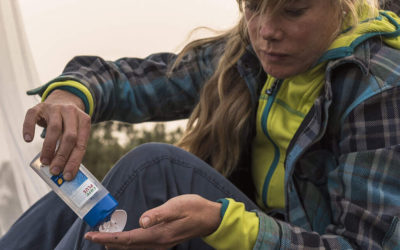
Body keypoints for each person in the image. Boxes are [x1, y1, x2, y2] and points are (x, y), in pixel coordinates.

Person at [1, 0, 400, 249]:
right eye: (254, 5)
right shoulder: (245, 56)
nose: (266, 31)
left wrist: (224, 224)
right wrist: (72, 95)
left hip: (268, 239)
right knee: (78, 204)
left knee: (156, 169)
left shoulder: (379, 88)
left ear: (344, 6)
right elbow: (138, 81)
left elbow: (365, 245)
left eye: (292, 10)